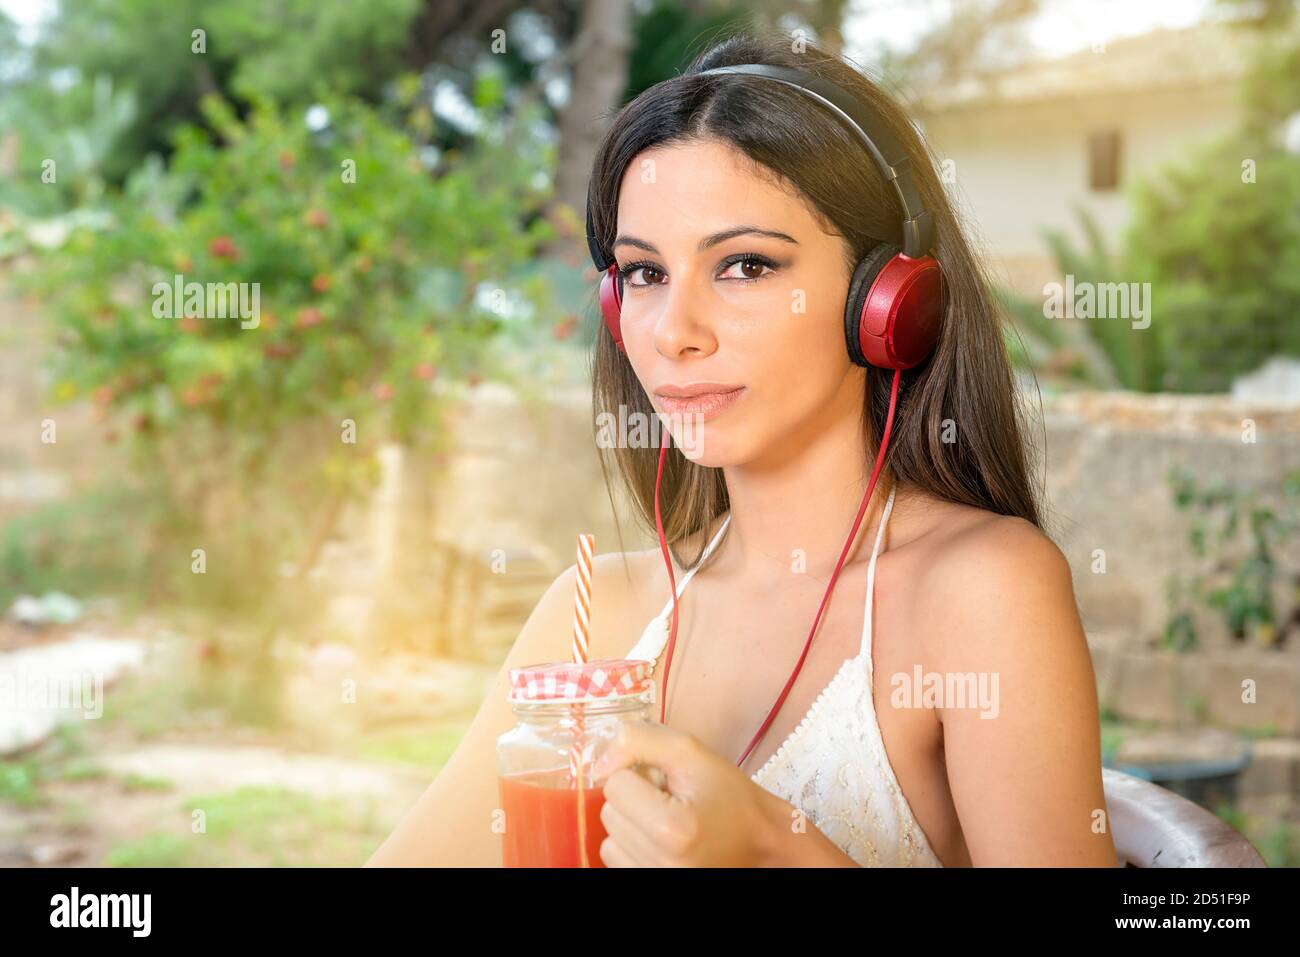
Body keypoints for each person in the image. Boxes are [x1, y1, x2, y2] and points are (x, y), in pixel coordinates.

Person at [367, 29, 1119, 868]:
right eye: (645, 274)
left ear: (886, 300)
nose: (675, 333)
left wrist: (771, 847)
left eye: (745, 265)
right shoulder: (594, 616)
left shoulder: (981, 592)